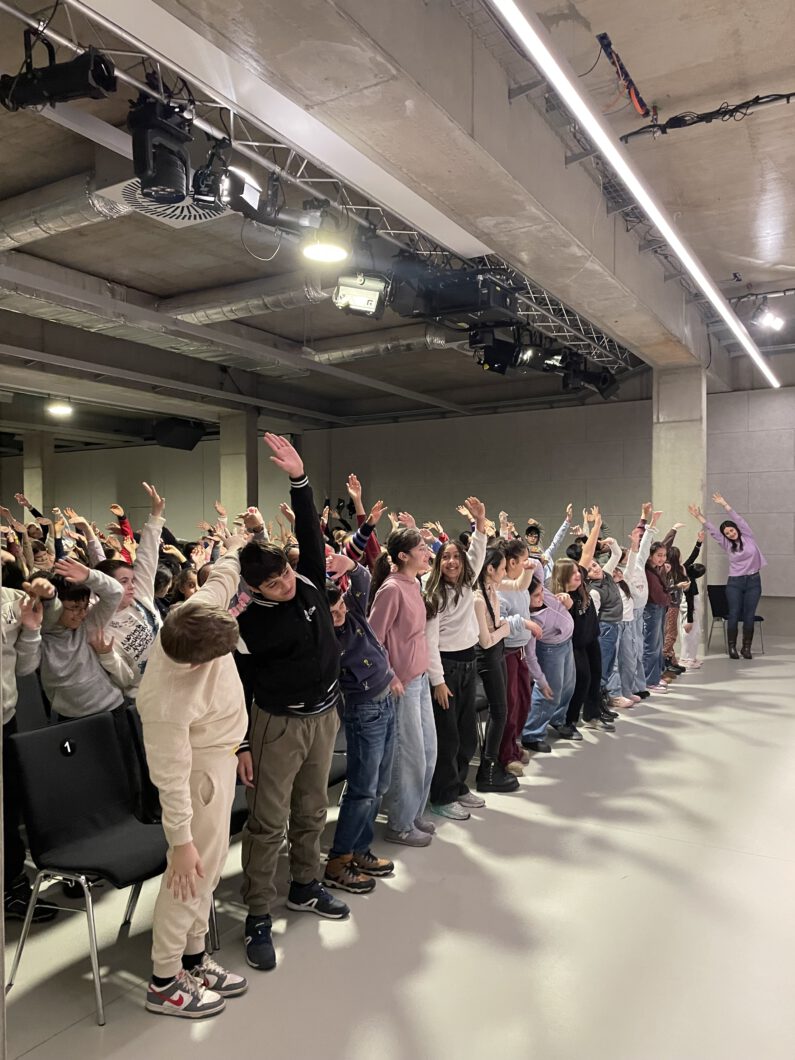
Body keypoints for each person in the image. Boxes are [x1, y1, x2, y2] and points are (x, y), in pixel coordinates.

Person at [235, 434, 348, 975]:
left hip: (323, 715)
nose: (283, 584)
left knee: (312, 810)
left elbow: (308, 529)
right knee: (267, 822)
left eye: (283, 573)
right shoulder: (246, 622)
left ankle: (305, 884)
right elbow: (238, 683)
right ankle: (258, 913)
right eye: (272, 582)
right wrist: (240, 744)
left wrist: (300, 479)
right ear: (253, 588)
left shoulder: (306, 580)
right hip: (277, 724)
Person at [138, 531, 250, 1019]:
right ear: (196, 661)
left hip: (221, 758)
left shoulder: (195, 611)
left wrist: (235, 544)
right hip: (198, 776)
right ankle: (164, 980)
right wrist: (180, 840)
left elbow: (223, 576)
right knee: (189, 875)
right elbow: (170, 776)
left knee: (211, 867)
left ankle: (193, 957)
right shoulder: (165, 698)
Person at [323, 506, 401, 894]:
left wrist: (348, 564)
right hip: (363, 709)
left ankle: (360, 849)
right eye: (332, 609)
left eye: (340, 603)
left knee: (380, 783)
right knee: (364, 786)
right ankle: (339, 859)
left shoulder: (352, 608)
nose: (339, 610)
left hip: (385, 699)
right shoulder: (325, 638)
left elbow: (363, 576)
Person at [369, 526, 436, 847]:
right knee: (409, 757)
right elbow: (374, 639)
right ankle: (400, 823)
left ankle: (413, 812)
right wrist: (391, 676)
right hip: (402, 685)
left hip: (420, 679)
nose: (427, 552)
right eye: (421, 548)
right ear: (403, 556)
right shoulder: (392, 589)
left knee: (428, 752)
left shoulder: (415, 584)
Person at [1, 567, 60, 922]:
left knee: (7, 807)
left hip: (4, 720)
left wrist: (32, 627)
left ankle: (11, 886)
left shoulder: (12, 600)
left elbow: (24, 667)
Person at [424, 498, 488, 821]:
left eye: (456, 557)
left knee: (465, 734)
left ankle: (459, 786)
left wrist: (480, 521)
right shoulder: (434, 593)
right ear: (438, 562)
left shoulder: (466, 584)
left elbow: (478, 551)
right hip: (445, 669)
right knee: (447, 737)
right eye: (445, 557)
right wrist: (437, 682)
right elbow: (429, 642)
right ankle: (442, 796)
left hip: (468, 664)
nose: (451, 562)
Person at [95, 483, 165, 697]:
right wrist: (107, 655)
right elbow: (125, 679)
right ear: (106, 587)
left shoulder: (139, 596)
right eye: (124, 581)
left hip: (171, 679)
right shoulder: (101, 625)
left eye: (132, 580)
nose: (132, 586)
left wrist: (156, 515)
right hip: (142, 696)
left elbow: (147, 557)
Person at [39, 556, 131, 718]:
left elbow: (116, 592)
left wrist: (89, 575)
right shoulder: (39, 635)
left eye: (85, 606)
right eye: (74, 607)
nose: (81, 614)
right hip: (70, 715)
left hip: (112, 705)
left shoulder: (89, 623)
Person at [550, 508, 616, 733]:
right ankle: (568, 721)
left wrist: (596, 525)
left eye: (578, 572)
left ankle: (591, 715)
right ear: (563, 577)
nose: (578, 575)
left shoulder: (580, 584)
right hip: (575, 645)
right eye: (573, 574)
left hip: (591, 639)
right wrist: (567, 605)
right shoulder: (560, 597)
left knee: (595, 676)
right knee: (582, 680)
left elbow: (587, 552)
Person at [690, 493, 766, 659]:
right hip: (735, 583)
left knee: (749, 615)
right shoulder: (726, 544)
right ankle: (732, 647)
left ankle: (746, 648)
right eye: (727, 533)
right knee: (734, 613)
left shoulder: (747, 535)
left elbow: (738, 518)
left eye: (731, 530)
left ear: (736, 529)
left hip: (754, 581)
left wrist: (724, 504)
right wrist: (698, 516)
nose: (730, 533)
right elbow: (711, 529)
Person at [472, 547, 523, 792]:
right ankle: (488, 771)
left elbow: (519, 584)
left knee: (502, 710)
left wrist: (500, 629)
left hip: (497, 651)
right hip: (487, 656)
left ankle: (490, 765)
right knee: (499, 711)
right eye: (502, 568)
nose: (505, 572)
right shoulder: (478, 598)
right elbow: (485, 641)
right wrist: (504, 629)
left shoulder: (492, 588)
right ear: (490, 569)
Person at [680, 532, 706, 668]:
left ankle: (691, 657)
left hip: (692, 605)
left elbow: (692, 556)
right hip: (690, 607)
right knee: (691, 632)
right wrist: (689, 620)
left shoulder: (685, 570)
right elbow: (689, 602)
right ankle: (687, 659)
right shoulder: (687, 580)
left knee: (694, 632)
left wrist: (699, 542)